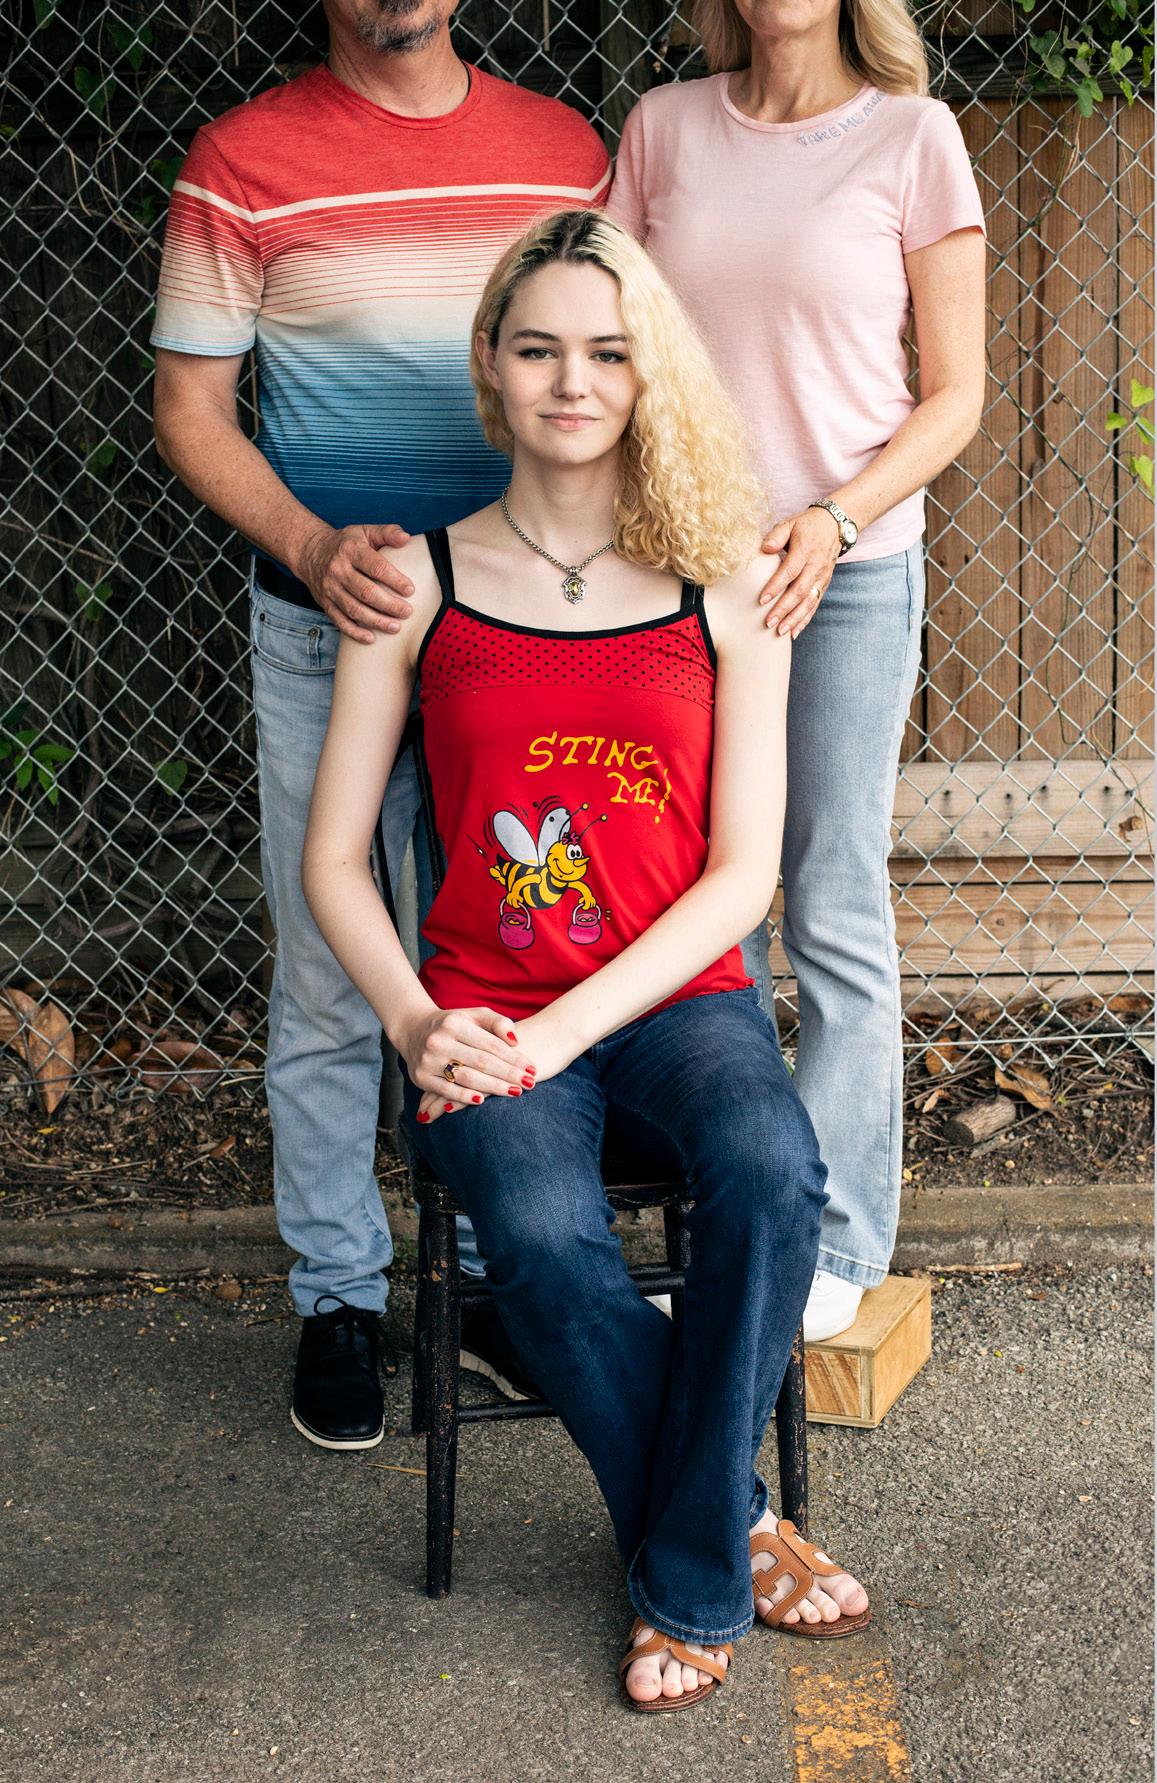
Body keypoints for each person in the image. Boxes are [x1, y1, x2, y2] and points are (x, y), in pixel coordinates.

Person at [302, 208, 870, 1711]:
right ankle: (732, 1529)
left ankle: (686, 1567)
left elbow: (741, 875)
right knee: (545, 1245)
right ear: (490, 366)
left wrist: (564, 1033)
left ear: (647, 374)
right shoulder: (416, 585)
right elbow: (333, 859)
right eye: (540, 348)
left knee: (770, 1173)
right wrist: (417, 1023)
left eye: (609, 353)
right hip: (481, 1014)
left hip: (679, 1002)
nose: (573, 381)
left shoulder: (724, 583)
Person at [151, 0, 611, 1450]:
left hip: (518, 642)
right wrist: (307, 545)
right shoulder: (243, 161)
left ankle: (494, 1275)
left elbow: (617, 373)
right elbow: (190, 408)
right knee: (329, 969)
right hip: (327, 623)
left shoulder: (564, 152)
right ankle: (340, 1295)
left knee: (517, 945)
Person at [607, 0, 986, 1341]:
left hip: (847, 571)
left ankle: (835, 1240)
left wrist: (832, 516)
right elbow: (605, 340)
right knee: (693, 902)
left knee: (827, 894)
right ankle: (722, 1218)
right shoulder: (662, 130)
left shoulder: (913, 137)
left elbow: (956, 394)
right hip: (677, 576)